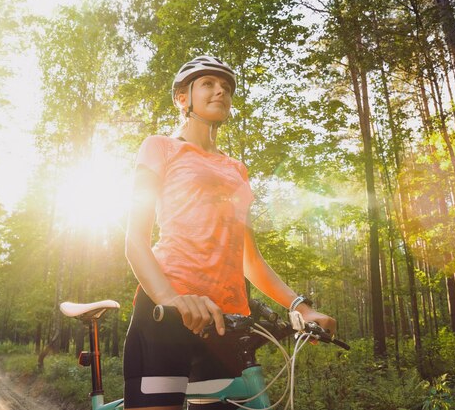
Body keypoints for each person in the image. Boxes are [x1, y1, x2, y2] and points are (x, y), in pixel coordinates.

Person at [124, 55, 336, 410]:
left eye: (226, 87)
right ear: (182, 98)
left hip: (225, 324)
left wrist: (301, 307)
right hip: (168, 315)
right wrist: (171, 298)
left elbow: (248, 259)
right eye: (207, 83)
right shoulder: (160, 147)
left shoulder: (236, 168)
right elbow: (134, 240)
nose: (220, 90)